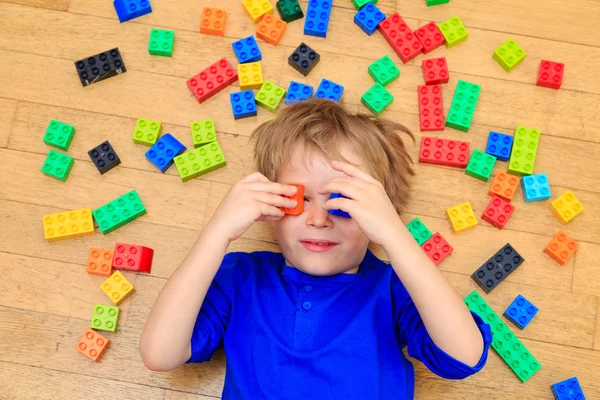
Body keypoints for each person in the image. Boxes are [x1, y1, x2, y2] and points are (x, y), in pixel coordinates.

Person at [140, 98, 492, 399]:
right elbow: (160, 354)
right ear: (271, 206)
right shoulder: (242, 277)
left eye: (342, 201)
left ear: (379, 215)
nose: (319, 218)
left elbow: (463, 356)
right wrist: (218, 231)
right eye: (298, 199)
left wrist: (395, 236)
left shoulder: (395, 287)